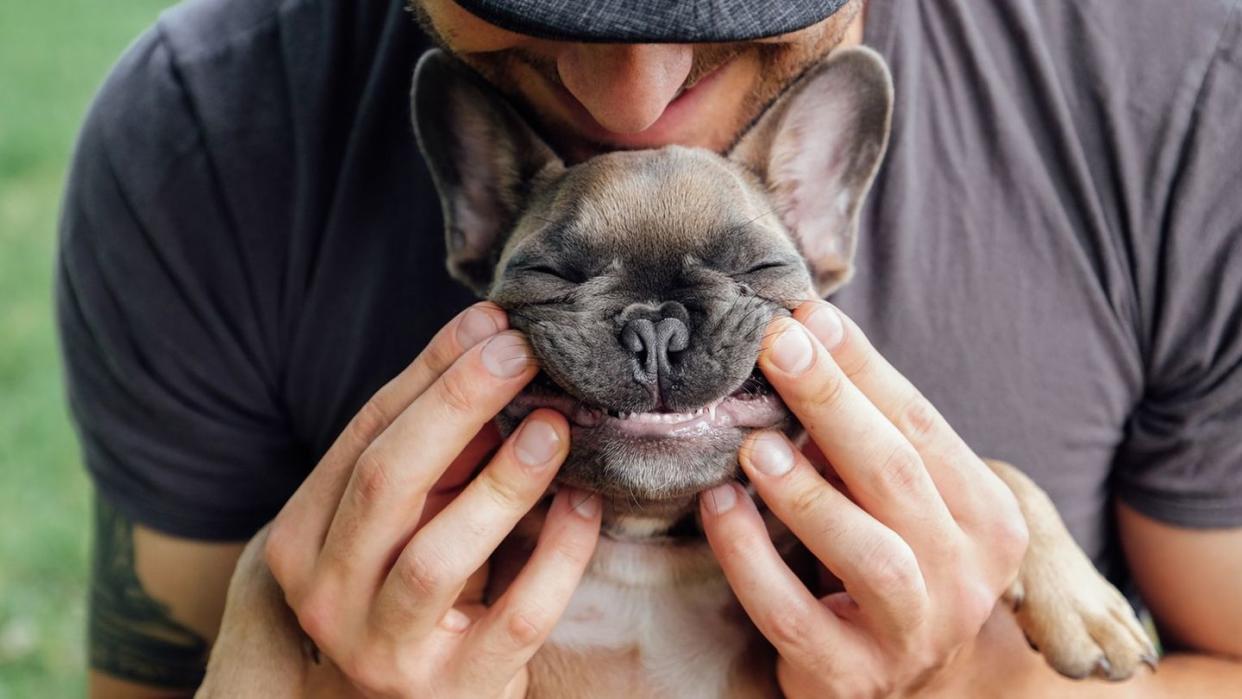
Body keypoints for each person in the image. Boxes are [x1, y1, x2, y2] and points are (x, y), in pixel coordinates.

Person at [58, 0, 1242, 696]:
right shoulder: (206, 134)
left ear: (820, 222)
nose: (633, 96)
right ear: (476, 229)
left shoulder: (1180, 99)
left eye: (735, 16)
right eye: (533, 5)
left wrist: (996, 684)